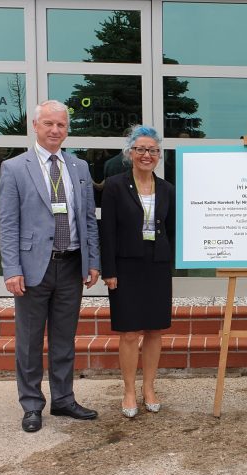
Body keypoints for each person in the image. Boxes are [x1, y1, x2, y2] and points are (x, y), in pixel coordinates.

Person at [0, 99, 101, 432]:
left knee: (63, 338)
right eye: (49, 124)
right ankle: (31, 405)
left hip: (71, 265)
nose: (55, 130)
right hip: (32, 269)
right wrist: (12, 268)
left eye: (61, 125)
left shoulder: (79, 167)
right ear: (35, 126)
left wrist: (93, 260)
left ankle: (63, 399)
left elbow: (87, 219)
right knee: (28, 341)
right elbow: (8, 223)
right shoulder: (15, 168)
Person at [100, 125, 176, 418]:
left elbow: (170, 229)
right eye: (141, 149)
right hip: (126, 266)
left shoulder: (167, 189)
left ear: (159, 156)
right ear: (130, 153)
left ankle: (149, 388)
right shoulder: (115, 186)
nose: (147, 155)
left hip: (156, 264)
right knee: (130, 332)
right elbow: (107, 231)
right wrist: (109, 270)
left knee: (155, 330)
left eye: (153, 150)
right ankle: (129, 390)